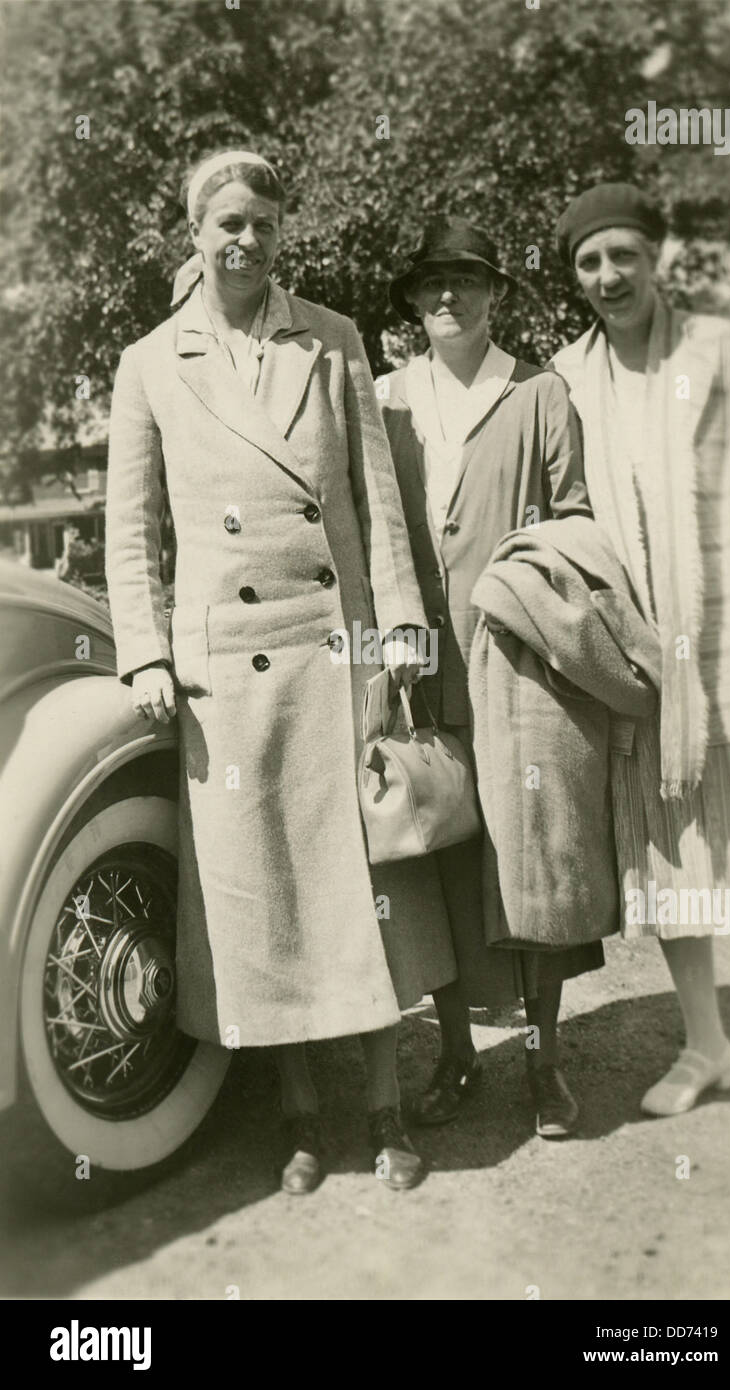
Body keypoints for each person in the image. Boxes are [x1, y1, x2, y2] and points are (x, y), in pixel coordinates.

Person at [105, 149, 457, 1194]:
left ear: (279, 230)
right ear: (195, 235)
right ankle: (305, 1120)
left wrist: (398, 625)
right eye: (228, 225)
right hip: (228, 677)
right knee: (265, 896)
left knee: (369, 885)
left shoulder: (333, 341)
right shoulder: (150, 364)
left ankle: (389, 1109)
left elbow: (375, 501)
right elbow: (131, 532)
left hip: (334, 651)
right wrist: (145, 653)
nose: (247, 240)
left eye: (263, 222)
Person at [378, 216, 608, 1138]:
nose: (447, 296)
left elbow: (580, 525)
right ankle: (458, 1057)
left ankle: (547, 1061)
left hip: (517, 669)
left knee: (533, 858)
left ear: (493, 294)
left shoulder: (541, 392)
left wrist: (518, 577)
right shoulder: (389, 400)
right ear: (411, 300)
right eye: (431, 281)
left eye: (465, 280)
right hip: (419, 671)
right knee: (433, 855)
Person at [551, 181, 730, 1115]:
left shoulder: (718, 351)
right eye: (589, 263)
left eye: (622, 256)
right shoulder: (567, 378)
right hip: (645, 665)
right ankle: (707, 1045)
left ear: (655, 257)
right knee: (676, 864)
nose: (608, 276)